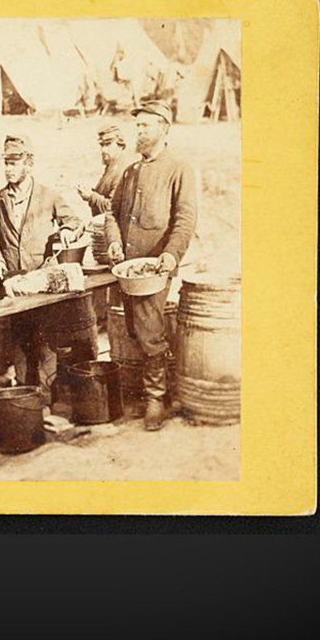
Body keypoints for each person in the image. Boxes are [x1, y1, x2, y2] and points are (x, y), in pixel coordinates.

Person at [105, 101, 198, 430]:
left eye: (146, 126)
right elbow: (112, 215)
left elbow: (185, 220)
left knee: (149, 332)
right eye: (138, 126)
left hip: (155, 270)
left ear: (164, 128)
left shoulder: (179, 169)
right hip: (129, 270)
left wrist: (171, 255)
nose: (139, 131)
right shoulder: (129, 171)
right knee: (132, 328)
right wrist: (114, 242)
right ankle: (156, 391)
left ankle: (156, 398)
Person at [0, 135, 86, 404]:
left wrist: (66, 232)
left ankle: (48, 401)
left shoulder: (48, 196)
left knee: (46, 344)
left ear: (30, 163)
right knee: (20, 345)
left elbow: (74, 221)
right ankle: (28, 402)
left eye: (14, 162)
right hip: (12, 285)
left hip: (41, 282)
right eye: (6, 163)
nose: (8, 168)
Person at [77, 123, 136, 217]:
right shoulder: (112, 165)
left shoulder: (123, 169)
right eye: (102, 145)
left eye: (108, 144)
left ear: (121, 146)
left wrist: (91, 196)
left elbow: (114, 208)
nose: (103, 150)